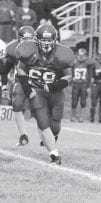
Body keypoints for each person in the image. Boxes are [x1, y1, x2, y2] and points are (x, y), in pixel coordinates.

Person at [15, 24, 74, 164]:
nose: (46, 43)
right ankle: (54, 154)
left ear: (55, 40)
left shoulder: (62, 54)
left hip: (55, 92)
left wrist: (54, 86)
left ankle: (53, 137)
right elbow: (21, 70)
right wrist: (28, 90)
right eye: (43, 40)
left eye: (49, 40)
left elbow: (68, 77)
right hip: (37, 91)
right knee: (43, 122)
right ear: (37, 39)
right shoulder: (28, 50)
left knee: (55, 122)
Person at [0, 26, 35, 146]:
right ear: (19, 39)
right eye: (25, 39)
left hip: (38, 80)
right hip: (20, 79)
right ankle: (23, 135)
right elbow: (5, 70)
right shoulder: (12, 49)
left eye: (30, 38)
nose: (27, 41)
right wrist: (4, 86)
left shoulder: (40, 48)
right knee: (17, 105)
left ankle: (50, 135)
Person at [71, 48, 94, 122]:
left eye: (82, 55)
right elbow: (71, 73)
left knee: (83, 101)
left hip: (84, 84)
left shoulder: (88, 63)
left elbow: (90, 75)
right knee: (74, 101)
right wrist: (70, 82)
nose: (80, 57)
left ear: (85, 55)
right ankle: (73, 117)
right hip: (76, 84)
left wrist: (89, 86)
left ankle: (81, 117)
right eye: (79, 55)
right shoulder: (74, 62)